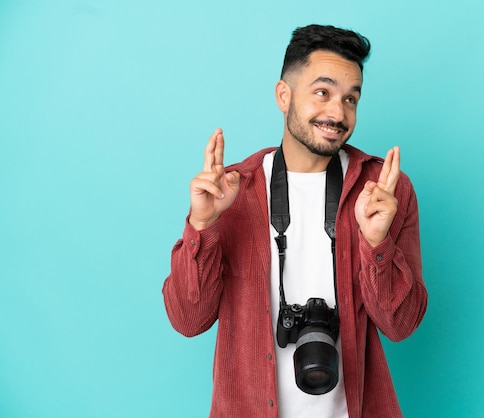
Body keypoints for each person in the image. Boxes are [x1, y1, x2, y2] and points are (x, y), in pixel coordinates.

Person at [162, 24, 428, 418]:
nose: (337, 113)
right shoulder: (232, 191)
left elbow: (401, 325)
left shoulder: (383, 191)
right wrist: (202, 226)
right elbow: (188, 320)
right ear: (283, 96)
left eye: (350, 99)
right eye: (322, 92)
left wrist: (377, 245)